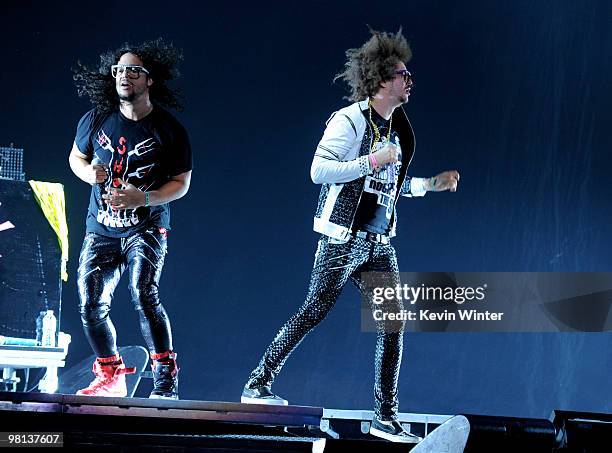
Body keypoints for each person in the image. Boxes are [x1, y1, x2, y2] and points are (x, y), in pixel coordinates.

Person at [241, 29, 459, 443]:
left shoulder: (401, 129)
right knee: (314, 310)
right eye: (401, 74)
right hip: (343, 238)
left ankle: (385, 417)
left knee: (392, 324)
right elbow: (319, 171)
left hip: (378, 243)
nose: (409, 80)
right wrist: (371, 158)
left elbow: (390, 184)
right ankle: (256, 385)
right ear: (380, 80)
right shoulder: (350, 119)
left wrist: (429, 184)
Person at [69, 38, 192, 399]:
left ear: (150, 80)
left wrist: (145, 197)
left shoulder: (169, 130)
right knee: (90, 302)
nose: (125, 76)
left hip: (147, 225)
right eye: (119, 69)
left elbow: (182, 184)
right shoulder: (95, 119)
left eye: (134, 70)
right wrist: (89, 173)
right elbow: (75, 158)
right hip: (101, 227)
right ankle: (110, 373)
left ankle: (165, 378)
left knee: (143, 292)